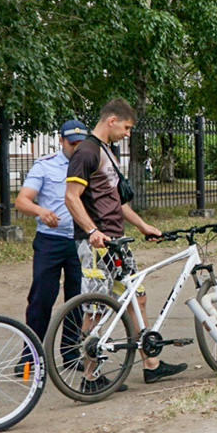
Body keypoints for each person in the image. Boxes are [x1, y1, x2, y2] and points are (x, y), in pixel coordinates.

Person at [65, 98, 187, 393]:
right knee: (95, 308)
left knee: (137, 297)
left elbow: (116, 202)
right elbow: (71, 197)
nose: (128, 133)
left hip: (116, 242)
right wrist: (92, 230)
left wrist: (144, 226)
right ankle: (90, 378)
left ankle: (151, 366)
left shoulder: (107, 151)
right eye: (127, 127)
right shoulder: (86, 152)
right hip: (97, 245)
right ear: (112, 120)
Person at [15, 119, 88, 344]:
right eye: (71, 143)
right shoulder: (44, 165)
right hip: (51, 241)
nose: (76, 148)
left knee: (78, 299)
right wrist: (40, 210)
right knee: (41, 299)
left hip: (79, 240)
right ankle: (32, 355)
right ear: (61, 141)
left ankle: (71, 352)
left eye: (80, 144)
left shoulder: (89, 164)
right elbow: (21, 201)